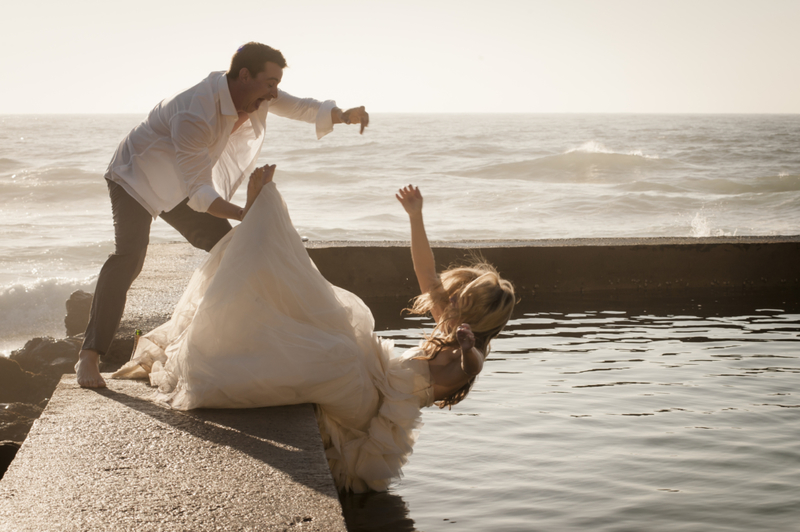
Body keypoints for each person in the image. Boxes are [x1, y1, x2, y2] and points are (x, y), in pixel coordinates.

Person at [112, 170, 516, 492]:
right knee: (332, 321)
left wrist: (466, 349)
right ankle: (255, 267)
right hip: (371, 379)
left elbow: (474, 365)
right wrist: (415, 216)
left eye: (466, 308)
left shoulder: (465, 358)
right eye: (459, 300)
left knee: (335, 353)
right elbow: (426, 274)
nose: (454, 308)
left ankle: (217, 366)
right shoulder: (447, 322)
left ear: (481, 324)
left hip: (370, 413)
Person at [77, 42, 369, 388]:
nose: (274, 92)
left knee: (233, 249)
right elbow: (201, 193)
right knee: (130, 258)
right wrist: (247, 211)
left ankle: (229, 345)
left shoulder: (256, 94)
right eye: (269, 83)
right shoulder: (194, 112)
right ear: (244, 76)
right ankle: (88, 358)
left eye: (277, 83)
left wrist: (343, 114)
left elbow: (300, 107)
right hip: (136, 177)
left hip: (184, 183)